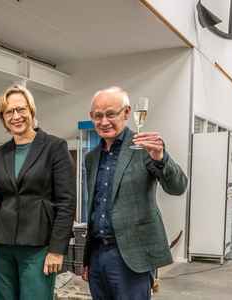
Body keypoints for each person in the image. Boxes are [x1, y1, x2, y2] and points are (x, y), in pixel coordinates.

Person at [81, 87, 187, 299]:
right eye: (97, 116)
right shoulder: (91, 157)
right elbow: (94, 207)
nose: (103, 122)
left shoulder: (144, 148)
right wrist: (88, 259)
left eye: (110, 114)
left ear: (126, 113)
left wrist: (161, 158)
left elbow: (178, 186)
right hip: (98, 255)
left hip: (131, 256)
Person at [0, 84, 76, 300]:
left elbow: (66, 203)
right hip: (2, 245)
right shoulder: (0, 153)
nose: (16, 116)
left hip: (38, 246)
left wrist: (57, 250)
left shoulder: (54, 147)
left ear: (31, 111)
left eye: (21, 109)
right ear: (2, 118)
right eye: (9, 112)